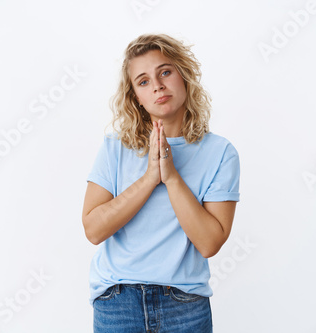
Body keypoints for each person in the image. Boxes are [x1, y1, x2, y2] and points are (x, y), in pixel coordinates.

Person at [81, 33, 240, 333]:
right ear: (136, 98)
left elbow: (209, 243)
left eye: (165, 72)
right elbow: (93, 229)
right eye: (143, 81)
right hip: (118, 302)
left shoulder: (220, 153)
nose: (157, 85)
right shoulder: (115, 148)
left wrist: (171, 176)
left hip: (185, 306)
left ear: (184, 75)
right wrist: (150, 177)